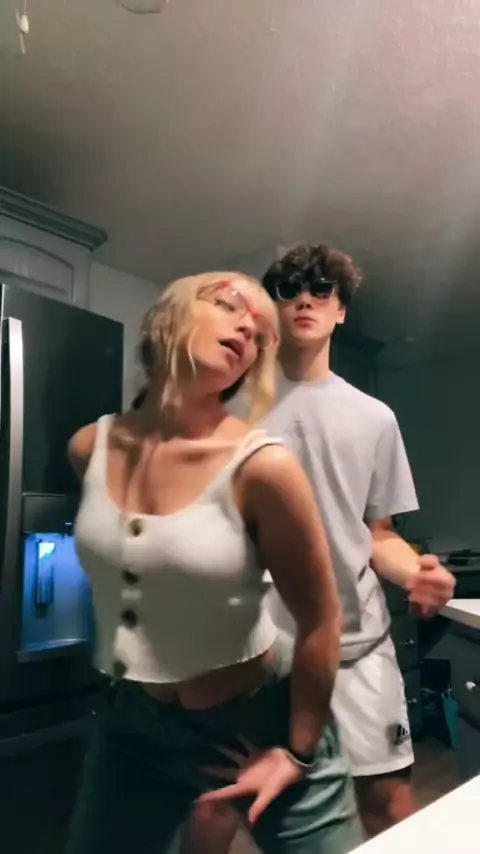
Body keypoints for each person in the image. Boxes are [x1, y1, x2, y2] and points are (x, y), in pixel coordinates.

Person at [65, 271, 361, 854]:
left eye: (260, 333)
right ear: (164, 318)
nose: (248, 328)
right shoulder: (88, 448)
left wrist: (297, 752)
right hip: (134, 720)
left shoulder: (263, 467)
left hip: (258, 720)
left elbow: (322, 620)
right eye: (228, 304)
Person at [186, 243, 456, 849]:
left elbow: (377, 535)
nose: (305, 299)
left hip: (355, 652)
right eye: (289, 289)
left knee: (388, 804)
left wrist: (418, 574)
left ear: (341, 311)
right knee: (214, 810)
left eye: (321, 290)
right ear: (272, 309)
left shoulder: (375, 418)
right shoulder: (226, 410)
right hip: (250, 656)